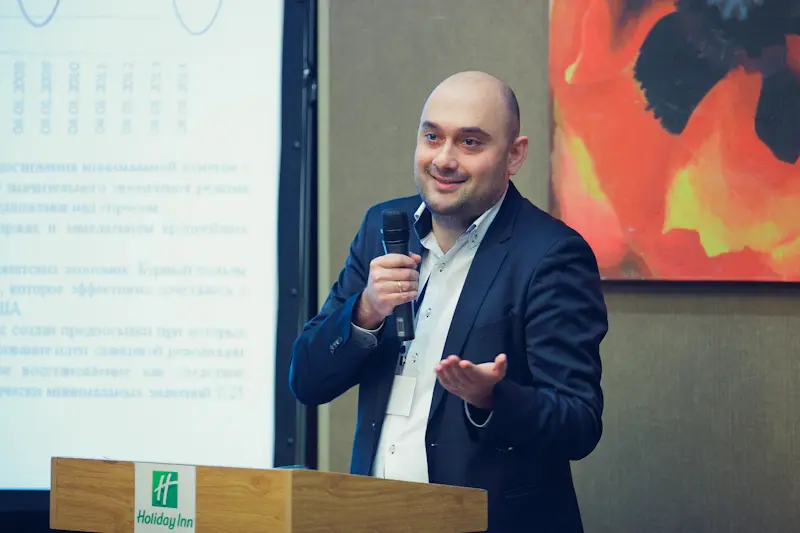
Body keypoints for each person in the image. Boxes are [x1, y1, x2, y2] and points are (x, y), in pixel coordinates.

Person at [289, 70, 608, 533]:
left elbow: (579, 424)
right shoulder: (382, 228)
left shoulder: (551, 254)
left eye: (470, 142)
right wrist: (365, 311)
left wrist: (490, 398)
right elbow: (307, 380)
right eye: (432, 137)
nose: (443, 159)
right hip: (374, 518)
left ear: (514, 155)